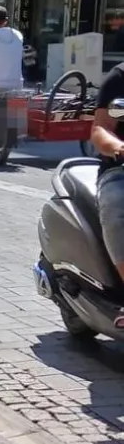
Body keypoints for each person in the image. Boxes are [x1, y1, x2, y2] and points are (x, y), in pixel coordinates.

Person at [91, 63, 124, 288]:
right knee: (117, 206)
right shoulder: (120, 77)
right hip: (119, 169)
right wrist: (118, 148)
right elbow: (101, 128)